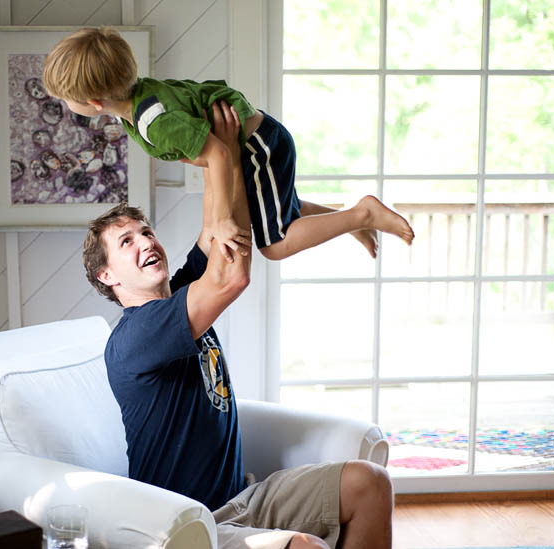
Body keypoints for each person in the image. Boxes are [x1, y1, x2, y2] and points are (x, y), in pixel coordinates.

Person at [82, 101, 393, 549]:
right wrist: (221, 154)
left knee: (370, 483)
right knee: (304, 546)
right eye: (126, 241)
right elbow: (232, 275)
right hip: (187, 525)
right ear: (107, 277)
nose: (144, 243)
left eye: (146, 232)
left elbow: (226, 221)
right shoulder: (136, 335)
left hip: (242, 497)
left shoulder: (183, 291)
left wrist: (220, 153)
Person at [45, 26, 414, 265]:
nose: (67, 106)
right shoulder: (140, 101)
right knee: (278, 209)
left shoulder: (152, 122)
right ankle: (347, 222)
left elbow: (219, 154)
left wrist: (221, 221)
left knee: (275, 245)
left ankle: (362, 214)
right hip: (263, 137)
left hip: (258, 146)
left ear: (93, 102)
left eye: (67, 100)